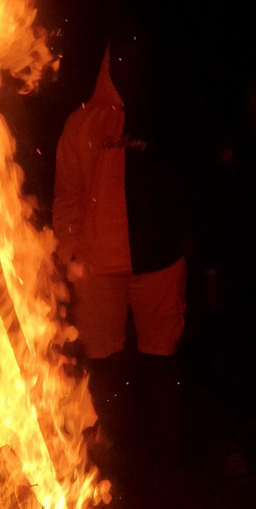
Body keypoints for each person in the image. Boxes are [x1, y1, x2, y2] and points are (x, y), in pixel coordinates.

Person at [52, 26, 188, 492]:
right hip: (99, 267)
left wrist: (189, 241)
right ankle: (110, 469)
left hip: (159, 263)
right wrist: (69, 252)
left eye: (137, 54)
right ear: (109, 60)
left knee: (161, 365)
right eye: (122, 56)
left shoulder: (168, 116)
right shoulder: (82, 123)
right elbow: (68, 195)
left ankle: (167, 470)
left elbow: (189, 183)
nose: (130, 64)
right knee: (104, 371)